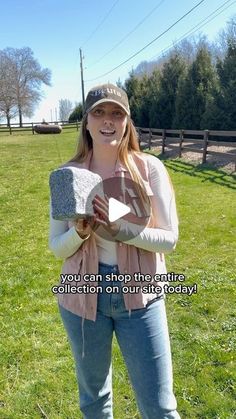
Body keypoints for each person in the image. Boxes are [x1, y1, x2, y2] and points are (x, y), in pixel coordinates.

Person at [49, 83, 181, 419]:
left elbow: (169, 238)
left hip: (141, 294)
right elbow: (56, 247)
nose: (108, 120)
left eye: (117, 113)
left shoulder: (149, 169)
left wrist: (122, 228)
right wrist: (79, 233)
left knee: (160, 408)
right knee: (94, 401)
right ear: (87, 122)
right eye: (99, 112)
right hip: (82, 296)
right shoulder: (69, 175)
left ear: (127, 122)